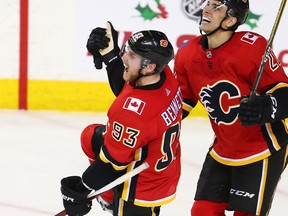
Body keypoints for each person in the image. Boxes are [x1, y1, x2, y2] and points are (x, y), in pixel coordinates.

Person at [174, 0, 288, 215]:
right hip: (223, 149)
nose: (206, 8)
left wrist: (267, 106)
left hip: (263, 149)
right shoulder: (187, 54)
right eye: (208, 3)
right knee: (202, 212)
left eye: (216, 6)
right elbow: (177, 107)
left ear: (231, 20)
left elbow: (284, 92)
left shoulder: (251, 47)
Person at [60, 21, 183, 216]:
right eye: (127, 50)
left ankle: (109, 199)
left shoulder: (131, 113)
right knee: (92, 136)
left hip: (141, 185)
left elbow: (111, 165)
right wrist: (110, 57)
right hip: (161, 163)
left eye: (132, 55)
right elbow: (128, 88)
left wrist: (81, 190)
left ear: (149, 66)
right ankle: (109, 199)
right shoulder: (164, 75)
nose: (124, 56)